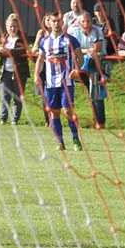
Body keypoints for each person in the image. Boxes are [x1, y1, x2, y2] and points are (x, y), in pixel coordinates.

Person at [35, 12, 84, 151]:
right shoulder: (45, 41)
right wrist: (36, 75)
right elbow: (40, 60)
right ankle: (61, 142)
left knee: (68, 111)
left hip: (66, 82)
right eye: (53, 21)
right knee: (54, 113)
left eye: (58, 21)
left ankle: (75, 139)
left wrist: (77, 69)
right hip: (50, 84)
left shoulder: (70, 40)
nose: (56, 24)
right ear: (49, 23)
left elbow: (80, 57)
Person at [69, 11, 109, 128]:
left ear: (92, 22)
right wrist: (86, 51)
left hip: (98, 65)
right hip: (84, 64)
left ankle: (99, 122)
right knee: (92, 93)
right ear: (79, 23)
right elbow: (74, 50)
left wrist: (82, 51)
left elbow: (97, 48)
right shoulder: (75, 32)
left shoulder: (97, 30)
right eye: (83, 21)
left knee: (96, 93)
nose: (86, 23)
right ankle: (96, 121)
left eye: (88, 21)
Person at [0, 13, 30, 125]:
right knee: (4, 97)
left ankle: (14, 120)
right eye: (10, 26)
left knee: (18, 98)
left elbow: (20, 50)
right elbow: (0, 49)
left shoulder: (22, 37)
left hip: (19, 72)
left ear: (18, 27)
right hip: (5, 71)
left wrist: (5, 51)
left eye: (14, 26)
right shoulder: (4, 37)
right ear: (6, 27)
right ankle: (3, 119)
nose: (12, 29)